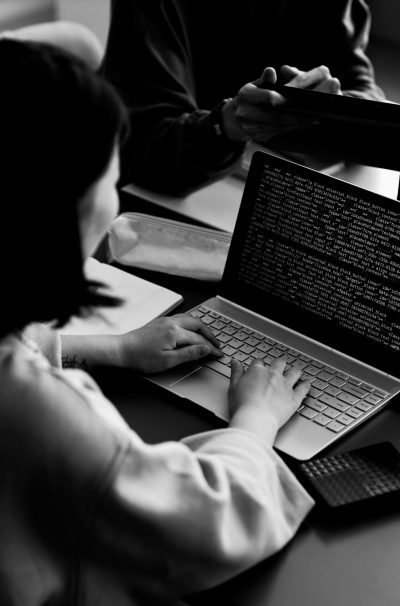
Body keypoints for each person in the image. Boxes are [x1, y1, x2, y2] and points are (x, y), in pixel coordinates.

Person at [0, 39, 314, 606]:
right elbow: (207, 524)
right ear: (53, 220)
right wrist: (255, 421)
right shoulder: (46, 418)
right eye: (110, 185)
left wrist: (112, 350)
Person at [102, 0, 385, 195]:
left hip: (273, 193)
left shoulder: (339, 6)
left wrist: (329, 101)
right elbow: (145, 149)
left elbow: (369, 95)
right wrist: (226, 125)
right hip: (172, 195)